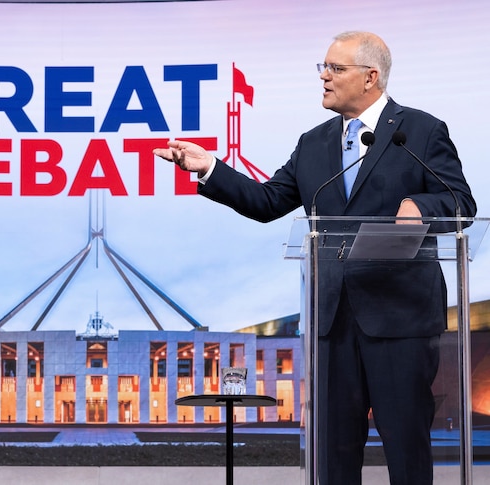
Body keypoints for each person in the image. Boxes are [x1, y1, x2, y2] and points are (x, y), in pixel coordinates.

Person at [154, 31, 476, 484]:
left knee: (406, 450)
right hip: (332, 323)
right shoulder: (314, 143)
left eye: (335, 69)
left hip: (400, 320)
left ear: (371, 77)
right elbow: (267, 202)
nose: (324, 77)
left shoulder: (419, 131)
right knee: (333, 454)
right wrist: (209, 168)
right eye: (322, 68)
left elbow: (461, 203)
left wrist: (423, 207)